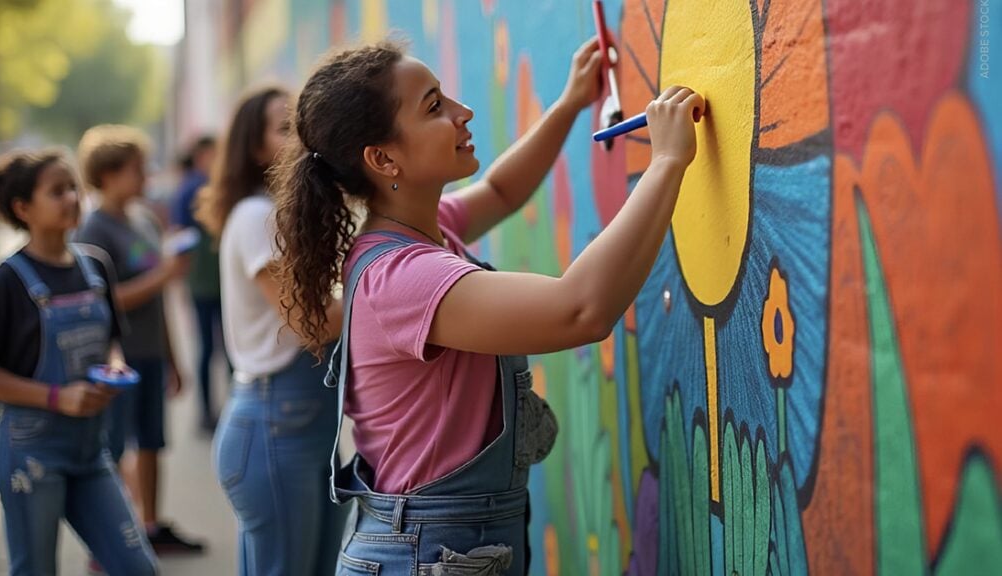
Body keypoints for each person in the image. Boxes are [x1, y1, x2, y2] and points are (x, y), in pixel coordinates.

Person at [273, 39, 704, 574]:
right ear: (383, 159)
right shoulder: (403, 277)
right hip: (427, 553)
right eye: (434, 107)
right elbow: (580, 310)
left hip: (443, 543)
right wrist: (666, 162)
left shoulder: (421, 232)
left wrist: (569, 102)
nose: (463, 112)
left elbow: (500, 190)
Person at [0, 148, 158, 576]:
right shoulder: (6, 280)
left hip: (92, 450)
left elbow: (111, 342)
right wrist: (54, 395)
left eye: (73, 188)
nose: (71, 199)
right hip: (30, 454)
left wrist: (114, 367)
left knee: (138, 567)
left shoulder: (94, 266)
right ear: (22, 208)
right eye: (57, 191)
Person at [196, 85, 345, 575]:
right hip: (276, 427)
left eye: (299, 124)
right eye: (283, 128)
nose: (299, 137)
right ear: (253, 147)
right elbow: (312, 324)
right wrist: (386, 287)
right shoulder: (256, 215)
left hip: (300, 426)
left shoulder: (279, 213)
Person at [74, 125, 205, 554]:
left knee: (152, 442)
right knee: (113, 450)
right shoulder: (94, 230)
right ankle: (112, 537)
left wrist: (173, 358)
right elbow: (106, 302)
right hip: (117, 359)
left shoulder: (144, 219)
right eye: (136, 170)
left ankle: (148, 526)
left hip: (150, 351)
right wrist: (163, 275)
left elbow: (157, 297)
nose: (145, 177)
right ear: (108, 175)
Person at [170, 135, 228, 432]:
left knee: (214, 348)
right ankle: (213, 411)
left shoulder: (194, 188)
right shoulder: (195, 188)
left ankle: (212, 412)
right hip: (208, 282)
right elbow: (180, 240)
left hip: (211, 282)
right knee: (214, 348)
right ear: (203, 155)